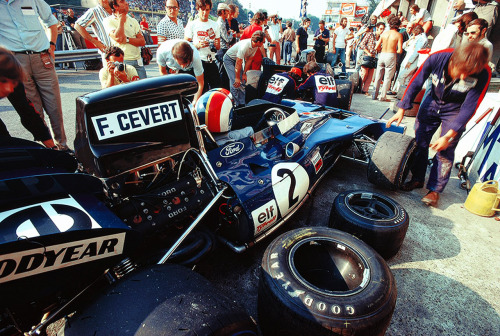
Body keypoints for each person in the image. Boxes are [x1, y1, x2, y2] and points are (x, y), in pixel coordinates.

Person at [386, 43, 491, 207]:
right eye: (461, 71)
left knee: (445, 149)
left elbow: (470, 107)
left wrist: (449, 135)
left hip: (456, 109)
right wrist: (401, 109)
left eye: (468, 74)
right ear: (453, 61)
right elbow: (416, 81)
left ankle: (435, 190)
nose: (463, 77)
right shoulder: (438, 57)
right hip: (432, 101)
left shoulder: (484, 72)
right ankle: (417, 178)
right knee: (420, 141)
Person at [0, 0, 69, 150]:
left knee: (54, 106)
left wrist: (52, 45)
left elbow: (51, 21)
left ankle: (62, 146)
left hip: (42, 57)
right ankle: (47, 149)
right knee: (32, 107)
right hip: (16, 61)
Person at [0, 47, 56, 149]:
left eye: (13, 83)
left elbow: (26, 110)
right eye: (3, 81)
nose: (9, 89)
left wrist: (53, 148)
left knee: (8, 146)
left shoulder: (11, 72)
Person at [104, 0, 147, 79]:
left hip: (138, 61)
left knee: (144, 88)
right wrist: (121, 21)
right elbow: (119, 38)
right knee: (128, 89)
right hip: (123, 61)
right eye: (122, 1)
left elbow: (142, 41)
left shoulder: (133, 21)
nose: (126, 3)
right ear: (115, 6)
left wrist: (127, 40)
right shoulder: (108, 21)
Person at [185, 0, 221, 91]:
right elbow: (185, 44)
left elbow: (218, 47)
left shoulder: (215, 25)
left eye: (207, 10)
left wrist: (215, 44)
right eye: (203, 9)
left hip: (212, 61)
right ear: (198, 9)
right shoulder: (192, 24)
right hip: (198, 61)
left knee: (216, 89)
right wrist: (197, 45)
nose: (205, 12)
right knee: (202, 89)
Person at [223, 31, 266, 106]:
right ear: (258, 41)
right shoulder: (245, 46)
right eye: (263, 41)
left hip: (237, 61)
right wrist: (237, 77)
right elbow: (238, 63)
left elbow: (249, 60)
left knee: (242, 82)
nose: (264, 43)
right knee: (235, 83)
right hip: (229, 59)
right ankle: (235, 104)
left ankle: (242, 103)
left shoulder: (255, 46)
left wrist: (244, 74)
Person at [157, 39, 205, 104]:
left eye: (186, 63)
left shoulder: (195, 57)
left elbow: (200, 82)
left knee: (191, 96)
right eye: (181, 64)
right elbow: (163, 73)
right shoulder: (162, 51)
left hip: (189, 71)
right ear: (174, 57)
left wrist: (195, 101)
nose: (183, 67)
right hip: (171, 69)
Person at [372, 16, 403, 102]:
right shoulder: (398, 35)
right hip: (391, 55)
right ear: (398, 25)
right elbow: (400, 50)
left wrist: (381, 50)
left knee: (378, 75)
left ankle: (374, 95)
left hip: (382, 54)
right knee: (387, 77)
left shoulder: (384, 34)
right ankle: (382, 96)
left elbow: (376, 47)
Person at [394, 25, 428, 92]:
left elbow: (416, 51)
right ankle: (401, 92)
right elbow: (404, 46)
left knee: (402, 76)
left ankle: (402, 91)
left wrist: (410, 61)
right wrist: (410, 39)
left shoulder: (422, 39)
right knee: (406, 79)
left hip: (412, 61)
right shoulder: (416, 38)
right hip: (407, 59)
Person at [216, 3, 232, 89]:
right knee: (223, 73)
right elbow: (227, 39)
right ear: (223, 11)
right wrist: (232, 34)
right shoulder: (221, 23)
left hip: (223, 50)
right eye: (227, 11)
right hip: (222, 50)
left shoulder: (223, 21)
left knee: (224, 73)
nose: (228, 13)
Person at [357, 25, 377, 95]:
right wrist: (368, 53)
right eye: (380, 29)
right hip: (367, 56)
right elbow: (362, 44)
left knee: (370, 75)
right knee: (364, 74)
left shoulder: (379, 37)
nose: (382, 30)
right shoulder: (370, 34)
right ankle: (359, 88)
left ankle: (365, 90)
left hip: (374, 57)